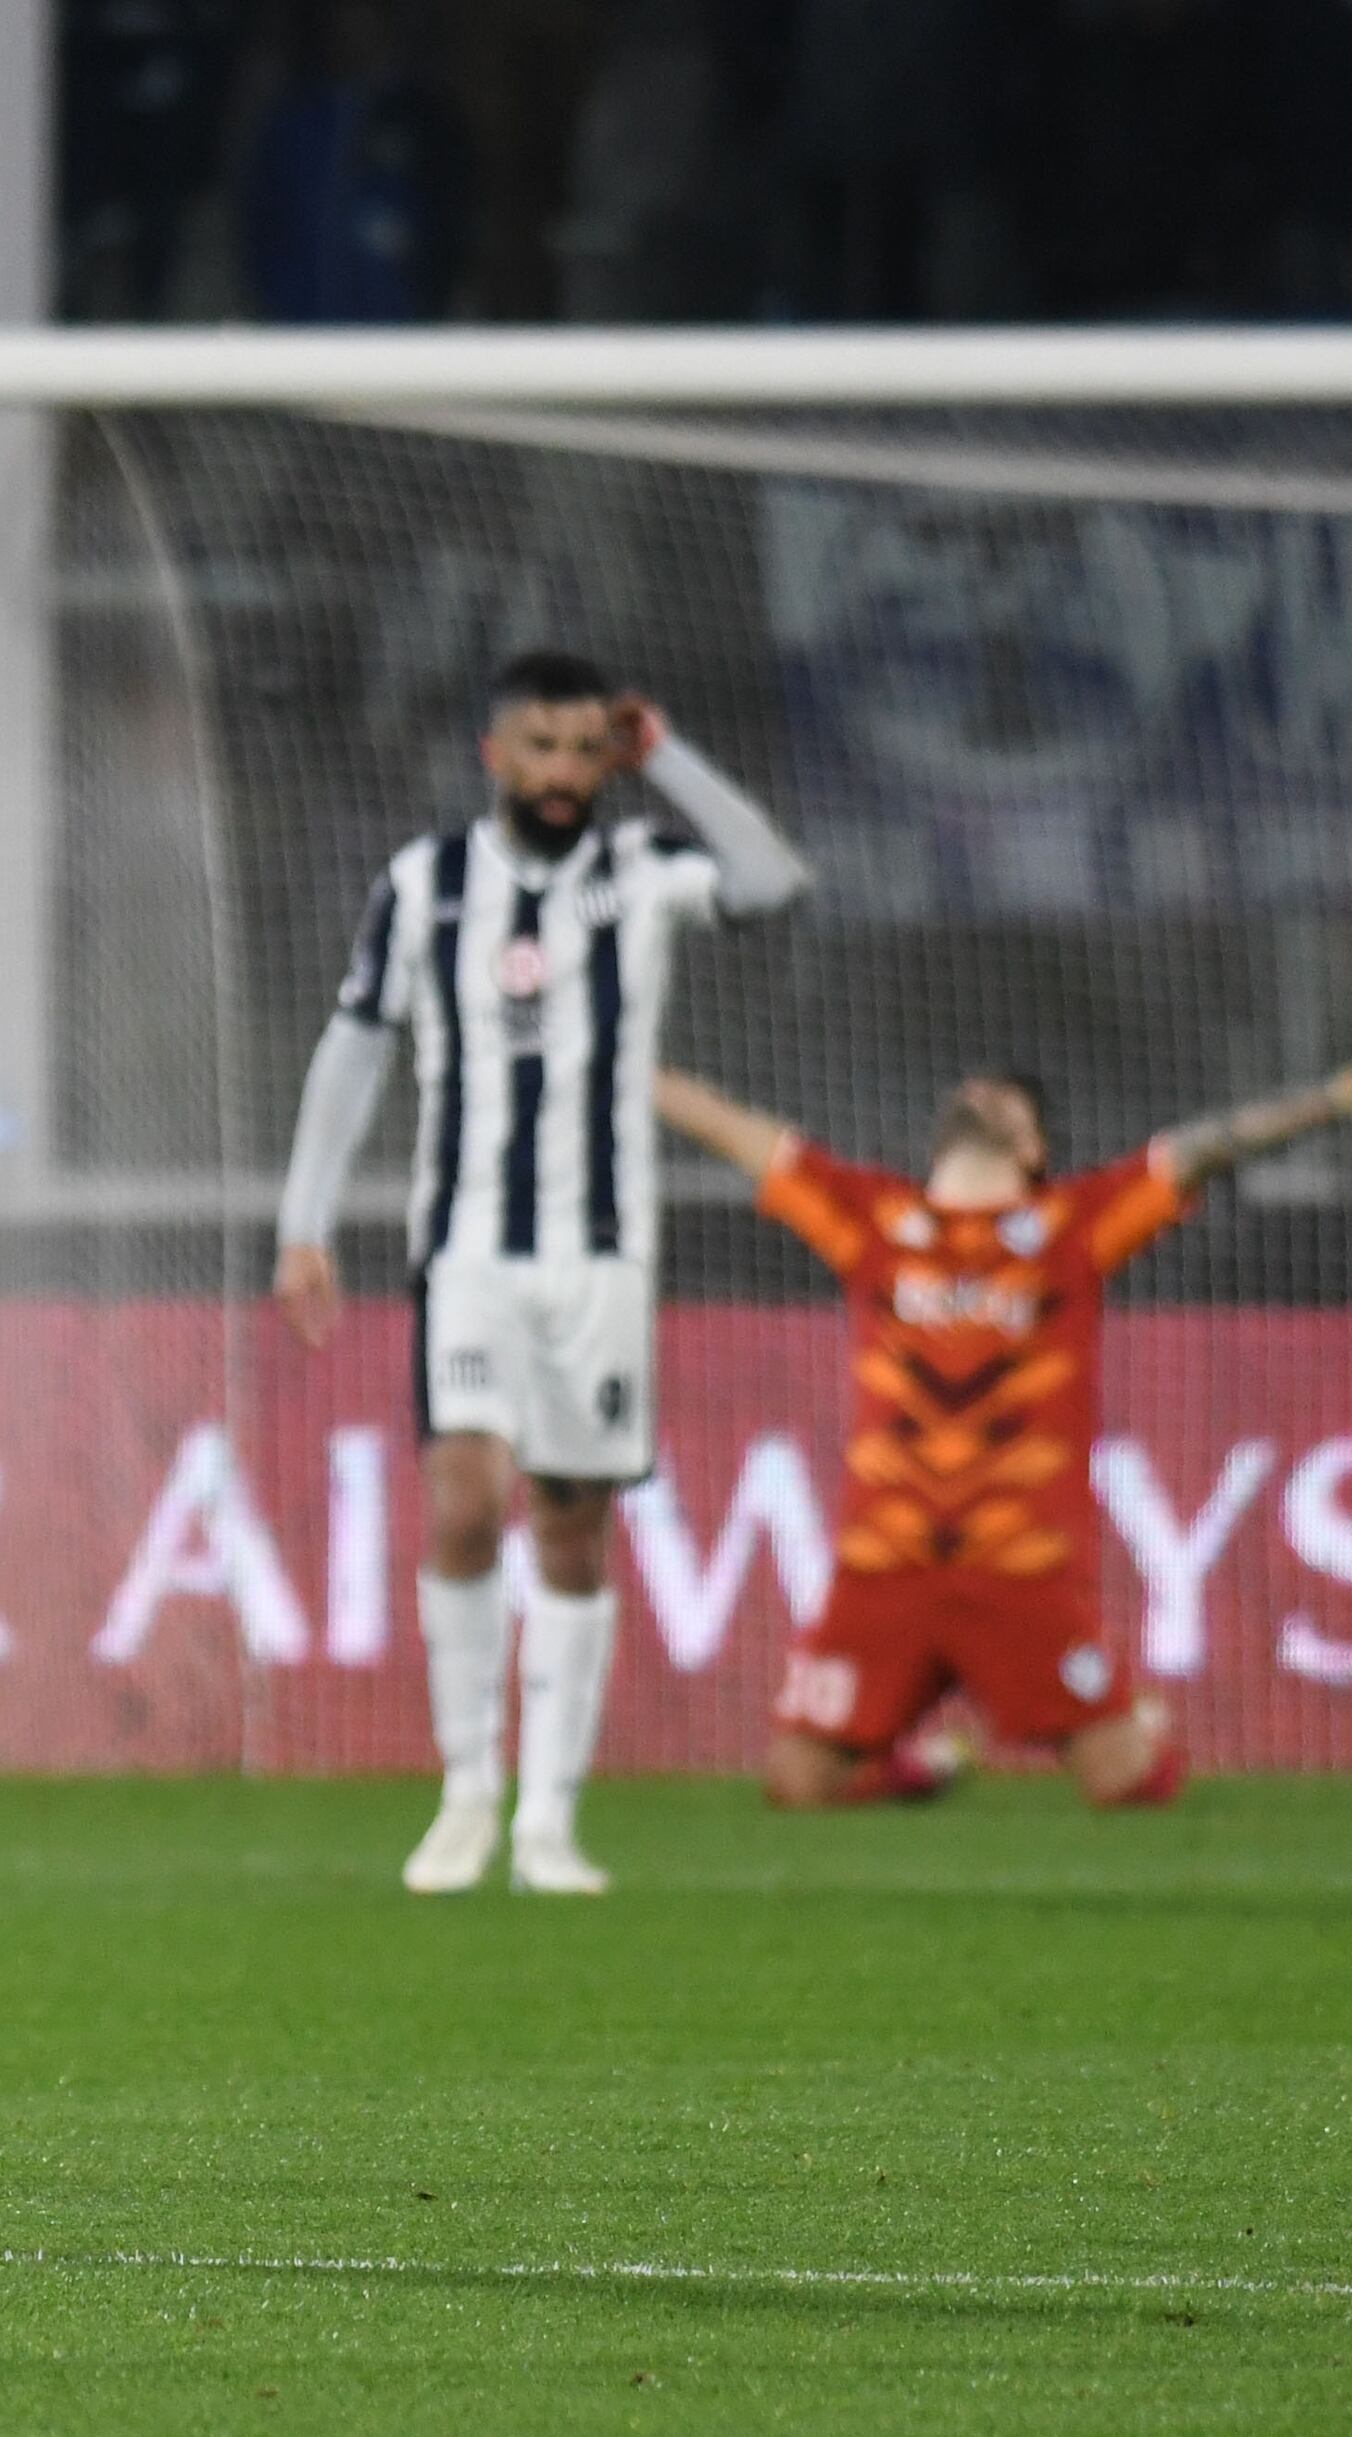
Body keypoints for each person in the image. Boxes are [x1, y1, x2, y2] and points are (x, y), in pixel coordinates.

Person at [272, 654, 813, 1897]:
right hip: (465, 1251)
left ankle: (549, 1822)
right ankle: (467, 1790)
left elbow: (769, 879)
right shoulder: (425, 885)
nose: (565, 774)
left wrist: (663, 755)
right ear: (493, 755)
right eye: (543, 748)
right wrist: (303, 1221)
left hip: (601, 1258)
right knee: (463, 1500)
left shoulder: (636, 875)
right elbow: (353, 1050)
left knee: (572, 1524)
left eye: (585, 752)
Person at [657, 1059, 1352, 1813]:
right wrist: (620, 1063)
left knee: (1125, 1788)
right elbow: (734, 1130)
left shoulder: (1074, 1227)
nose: (981, 1094)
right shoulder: (873, 1216)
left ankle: (1122, 1727)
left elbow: (1202, 1150)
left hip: (1022, 1573)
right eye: (972, 1092)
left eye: (1007, 1100)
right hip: (884, 1569)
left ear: (1032, 1152)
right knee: (794, 1789)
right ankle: (901, 1763)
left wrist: (1329, 1099)